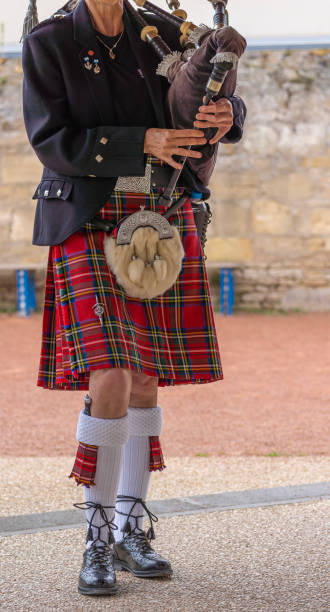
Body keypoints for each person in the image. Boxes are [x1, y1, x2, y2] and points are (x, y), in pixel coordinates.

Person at [22, 0, 247, 597]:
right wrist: (141, 140)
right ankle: (95, 536)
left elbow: (212, 93)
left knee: (145, 379)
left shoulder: (168, 32)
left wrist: (229, 113)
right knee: (112, 376)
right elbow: (51, 139)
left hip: (164, 215)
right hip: (90, 218)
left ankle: (130, 528)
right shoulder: (50, 42)